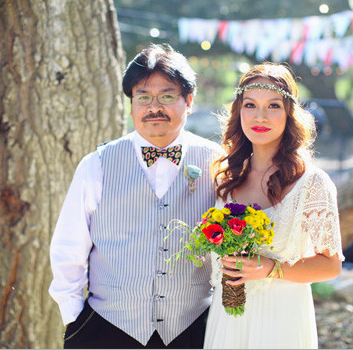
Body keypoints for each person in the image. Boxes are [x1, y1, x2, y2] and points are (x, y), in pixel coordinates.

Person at [49, 44, 224, 349]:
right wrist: (73, 318)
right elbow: (69, 247)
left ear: (188, 101)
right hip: (107, 326)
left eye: (166, 96)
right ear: (131, 105)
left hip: (194, 327)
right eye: (143, 97)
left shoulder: (217, 162)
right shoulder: (97, 164)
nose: (154, 107)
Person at [204, 63, 345, 349]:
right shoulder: (225, 177)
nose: (260, 117)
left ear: (289, 113)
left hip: (282, 319)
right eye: (250, 105)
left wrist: (271, 268)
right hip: (227, 316)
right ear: (238, 111)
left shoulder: (311, 183)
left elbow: (331, 267)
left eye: (273, 106)